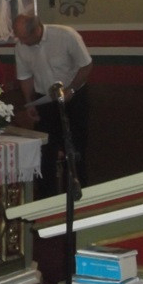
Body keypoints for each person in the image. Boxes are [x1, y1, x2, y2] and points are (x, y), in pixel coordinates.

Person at [13, 13, 92, 199]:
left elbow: (86, 65)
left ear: (36, 30)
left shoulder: (66, 36)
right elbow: (25, 77)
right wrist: (29, 102)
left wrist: (71, 89)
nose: (21, 41)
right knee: (45, 153)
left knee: (75, 152)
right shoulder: (21, 47)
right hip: (46, 101)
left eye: (24, 37)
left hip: (74, 98)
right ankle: (47, 201)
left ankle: (77, 199)